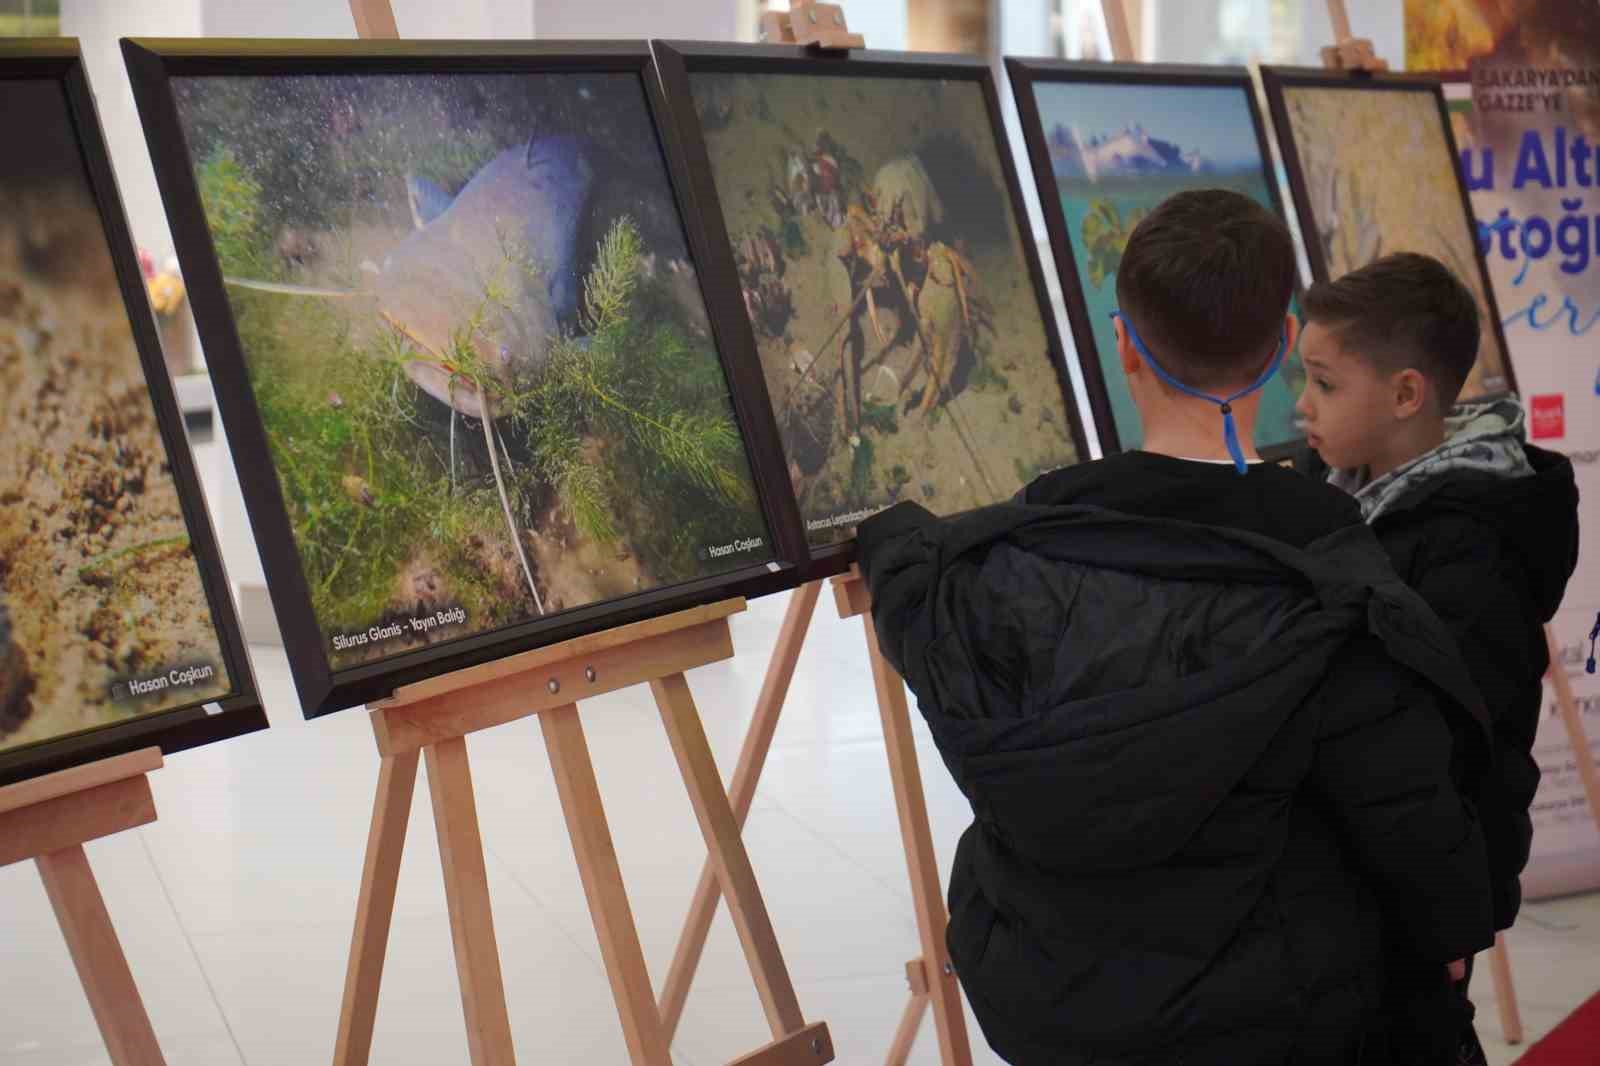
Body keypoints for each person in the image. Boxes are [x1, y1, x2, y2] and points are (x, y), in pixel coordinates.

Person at [854, 190, 1495, 1064]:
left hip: (1051, 1012)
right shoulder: (1335, 584)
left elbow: (906, 578)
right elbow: (1412, 822)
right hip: (1274, 1021)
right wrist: (1453, 931)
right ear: (1279, 351)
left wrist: (881, 534)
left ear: (1124, 344)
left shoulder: (999, 567)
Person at [1295, 252, 1581, 1059]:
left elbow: (1469, 750)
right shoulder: (1347, 499)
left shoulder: (1467, 549)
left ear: (1406, 395)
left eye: (1323, 383)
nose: (1301, 405)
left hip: (1424, 892)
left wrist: (1448, 911)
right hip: (1363, 874)